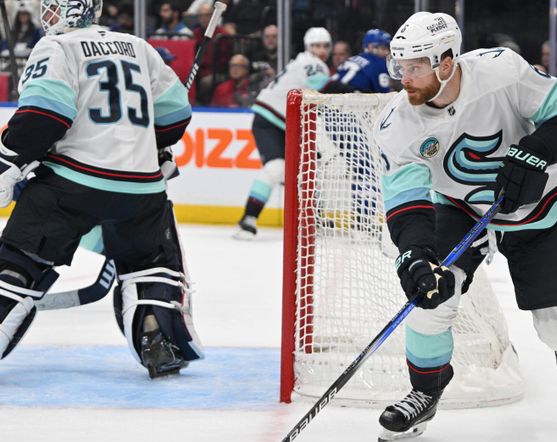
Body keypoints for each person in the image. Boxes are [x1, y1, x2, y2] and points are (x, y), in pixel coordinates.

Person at [373, 12, 557, 441]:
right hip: (457, 208)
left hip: (536, 205)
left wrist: (533, 153)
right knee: (429, 297)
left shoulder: (502, 71)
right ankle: (425, 392)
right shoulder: (397, 123)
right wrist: (414, 252)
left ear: (447, 61)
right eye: (400, 67)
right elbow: (407, 200)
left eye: (415, 66)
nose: (405, 78)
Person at [0, 0, 202, 379]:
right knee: (149, 263)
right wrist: (155, 147)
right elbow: (175, 115)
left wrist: (9, 161)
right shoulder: (138, 46)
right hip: (141, 188)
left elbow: (45, 116)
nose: (50, 15)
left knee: (19, 262)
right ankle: (156, 338)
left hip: (72, 182)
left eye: (55, 7)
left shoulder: (58, 47)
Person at [234, 27, 331, 239]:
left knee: (312, 165)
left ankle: (311, 218)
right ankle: (248, 218)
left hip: (287, 124)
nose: (321, 50)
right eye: (316, 45)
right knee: (276, 168)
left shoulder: (301, 61)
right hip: (271, 122)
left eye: (324, 46)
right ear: (308, 47)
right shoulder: (314, 65)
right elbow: (327, 92)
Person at [324, 28, 392, 94]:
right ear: (370, 47)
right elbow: (384, 94)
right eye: (383, 48)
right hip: (354, 95)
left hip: (331, 90)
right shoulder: (380, 63)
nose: (387, 52)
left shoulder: (353, 59)